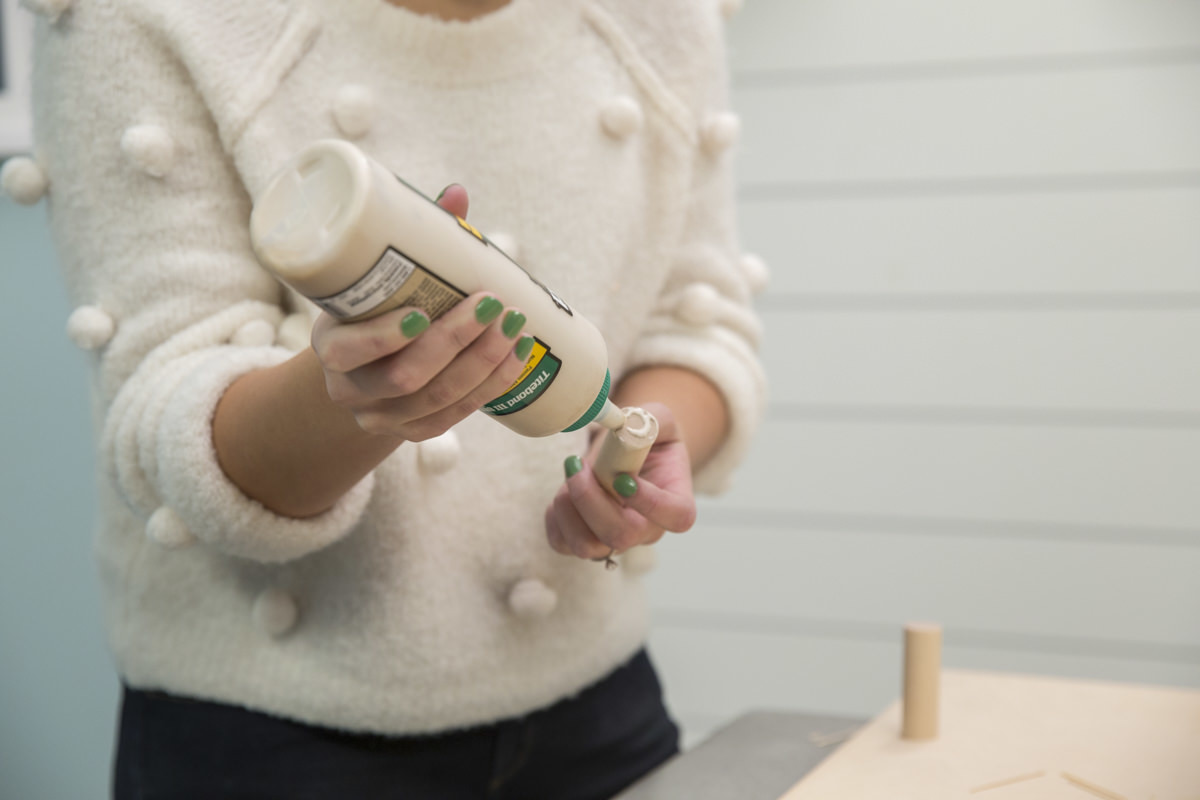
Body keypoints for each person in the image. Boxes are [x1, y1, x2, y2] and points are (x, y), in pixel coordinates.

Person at [21, 0, 766, 796]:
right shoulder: (140, 15)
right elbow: (165, 414)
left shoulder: (664, 16)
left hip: (596, 706)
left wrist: (645, 447)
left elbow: (697, 315)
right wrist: (362, 397)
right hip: (269, 732)